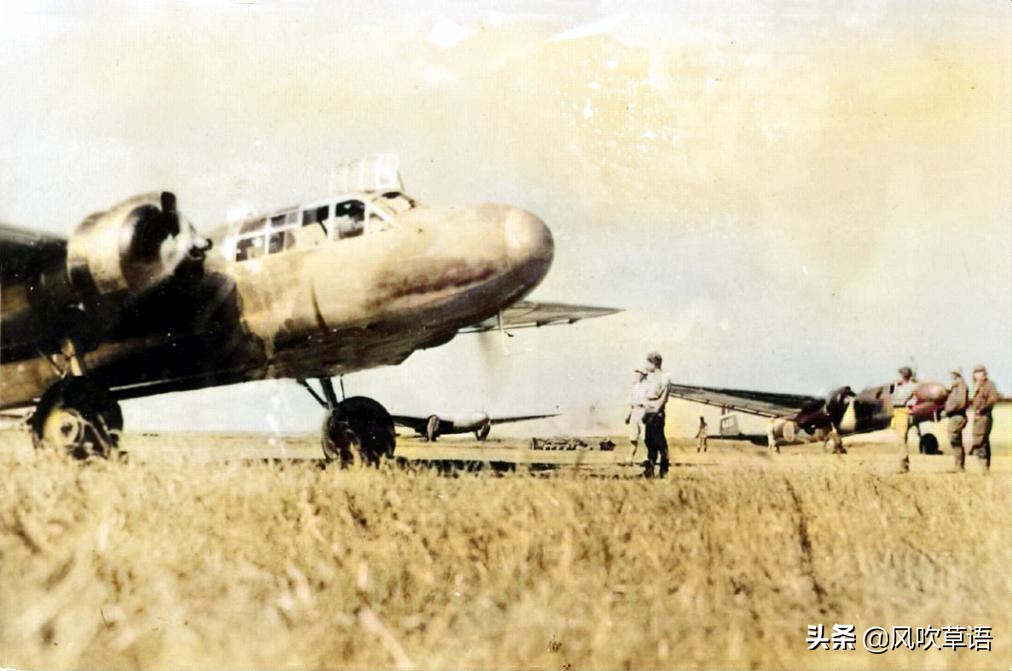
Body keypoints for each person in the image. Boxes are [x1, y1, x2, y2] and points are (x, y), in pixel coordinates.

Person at [641, 351, 671, 478]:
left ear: (654, 363)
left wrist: (657, 411)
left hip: (656, 412)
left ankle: (664, 469)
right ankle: (650, 470)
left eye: (648, 362)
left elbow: (663, 397)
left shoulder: (665, 377)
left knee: (659, 441)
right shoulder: (650, 377)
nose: (646, 365)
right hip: (649, 410)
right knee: (649, 441)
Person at [969, 365, 999, 471]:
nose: (976, 374)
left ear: (984, 374)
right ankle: (984, 467)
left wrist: (981, 409)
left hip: (984, 416)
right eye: (975, 372)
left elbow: (992, 399)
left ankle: (984, 467)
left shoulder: (989, 385)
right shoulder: (977, 386)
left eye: (979, 372)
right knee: (982, 440)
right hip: (978, 416)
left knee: (980, 440)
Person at [891, 366, 918, 473]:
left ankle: (904, 465)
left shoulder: (911, 387)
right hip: (899, 412)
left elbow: (900, 400)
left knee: (902, 440)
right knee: (901, 439)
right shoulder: (900, 386)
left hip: (903, 412)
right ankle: (903, 464)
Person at [943, 369, 969, 470]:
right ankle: (958, 465)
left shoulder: (961, 386)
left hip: (957, 416)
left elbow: (960, 403)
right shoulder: (956, 386)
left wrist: (948, 411)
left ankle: (959, 466)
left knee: (955, 440)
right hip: (954, 416)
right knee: (955, 440)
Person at [625, 369, 648, 464]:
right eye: (636, 372)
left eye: (639, 372)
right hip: (635, 411)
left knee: (646, 437)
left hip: (644, 411)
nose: (637, 374)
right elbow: (630, 402)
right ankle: (629, 459)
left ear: (644, 374)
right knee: (633, 437)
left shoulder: (648, 386)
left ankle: (647, 458)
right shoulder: (633, 386)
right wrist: (628, 415)